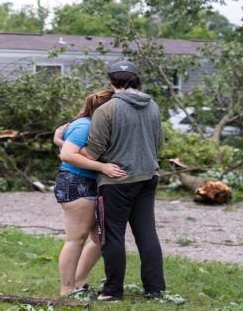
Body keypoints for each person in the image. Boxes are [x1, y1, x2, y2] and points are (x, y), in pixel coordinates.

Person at [82, 60, 166, 301]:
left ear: (111, 82)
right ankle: (155, 290)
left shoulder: (106, 110)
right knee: (146, 233)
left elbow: (93, 152)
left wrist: (64, 144)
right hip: (148, 177)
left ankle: (112, 292)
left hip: (116, 181)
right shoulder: (153, 106)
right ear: (136, 80)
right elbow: (158, 145)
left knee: (112, 235)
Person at [53, 89, 126, 297]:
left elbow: (68, 147)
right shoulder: (85, 125)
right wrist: (103, 168)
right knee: (76, 237)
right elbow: (67, 155)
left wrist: (59, 141)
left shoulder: (95, 125)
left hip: (92, 183)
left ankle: (79, 280)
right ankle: (67, 289)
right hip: (76, 183)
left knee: (99, 239)